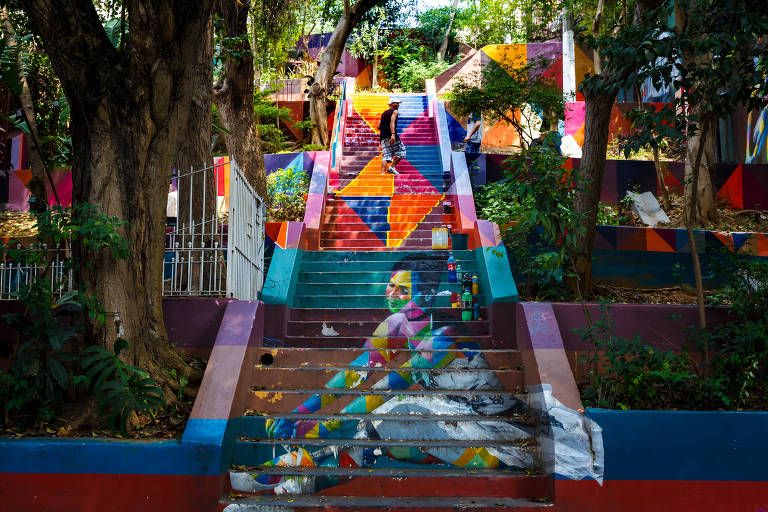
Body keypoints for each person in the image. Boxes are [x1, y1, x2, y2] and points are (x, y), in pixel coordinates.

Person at [379, 96, 406, 175]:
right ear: (391, 104)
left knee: (386, 154)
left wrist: (381, 140)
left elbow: (379, 126)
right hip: (391, 135)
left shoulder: (383, 113)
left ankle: (382, 173)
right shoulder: (395, 111)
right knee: (402, 151)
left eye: (398, 103)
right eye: (396, 103)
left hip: (383, 136)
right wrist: (393, 135)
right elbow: (392, 122)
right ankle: (392, 167)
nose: (398, 105)